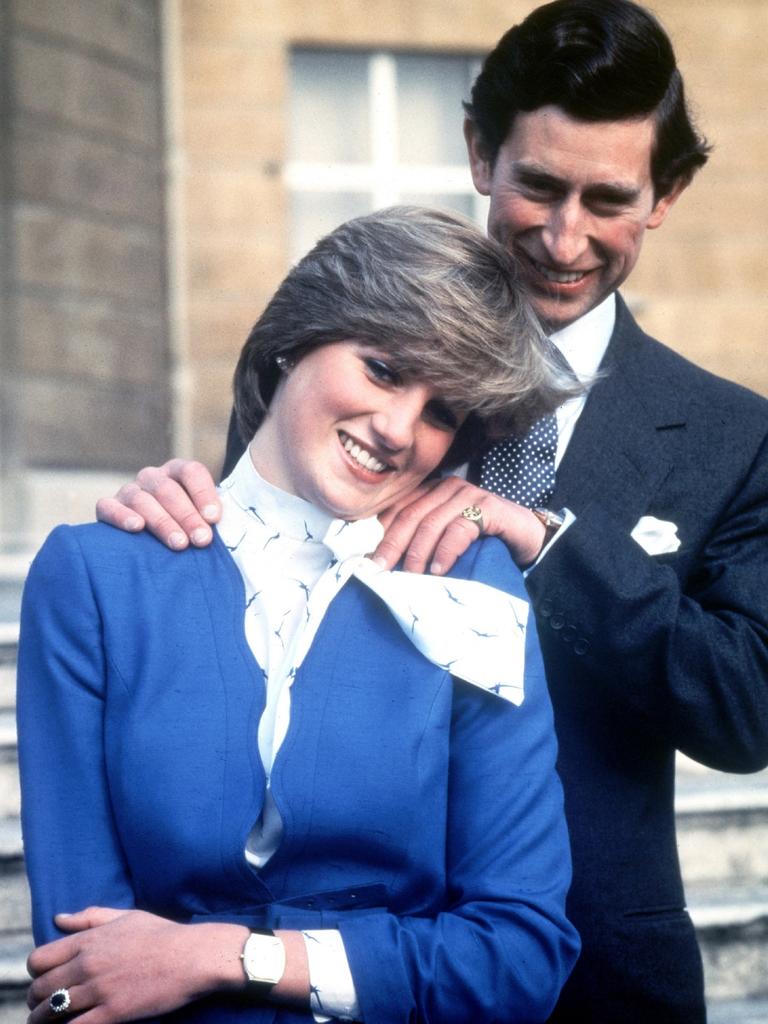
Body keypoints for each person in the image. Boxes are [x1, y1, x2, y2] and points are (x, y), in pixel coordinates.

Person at [97, 2, 768, 1021]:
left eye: (607, 199)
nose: (563, 235)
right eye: (537, 184)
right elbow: (242, 600)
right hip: (336, 962)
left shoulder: (733, 434)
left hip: (602, 978)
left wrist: (547, 544)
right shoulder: (351, 361)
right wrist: (175, 518)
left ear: (664, 196)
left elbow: (744, 708)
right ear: (478, 154)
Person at [18, 207, 580, 1024]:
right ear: (296, 338)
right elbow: (81, 961)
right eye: (384, 369)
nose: (397, 431)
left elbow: (519, 958)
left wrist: (226, 956)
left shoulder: (475, 586)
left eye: (440, 413)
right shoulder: (97, 577)